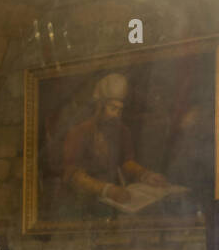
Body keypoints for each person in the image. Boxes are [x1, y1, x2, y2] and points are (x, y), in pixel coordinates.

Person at [60, 72, 168, 214]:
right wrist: (107, 190)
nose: (116, 115)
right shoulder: (79, 132)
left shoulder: (123, 131)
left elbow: (126, 162)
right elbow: (72, 174)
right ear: (100, 107)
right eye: (113, 108)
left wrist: (145, 175)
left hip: (114, 200)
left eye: (120, 110)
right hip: (82, 201)